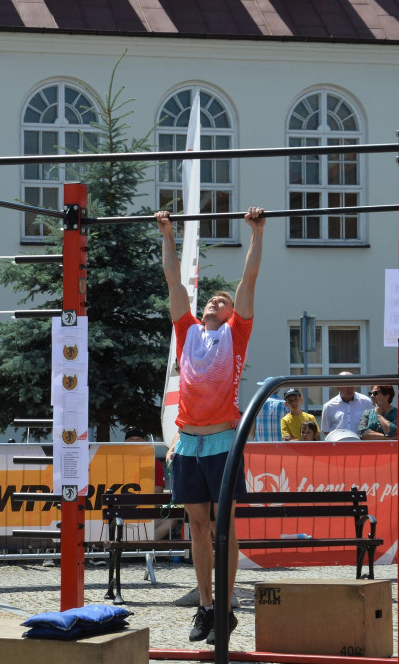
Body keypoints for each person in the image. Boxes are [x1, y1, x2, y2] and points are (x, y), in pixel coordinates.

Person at [157, 204, 264, 645]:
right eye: (212, 300)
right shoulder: (187, 332)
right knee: (197, 529)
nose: (217, 303)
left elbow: (249, 280)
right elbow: (173, 281)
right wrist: (167, 234)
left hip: (222, 441)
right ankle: (206, 605)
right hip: (188, 445)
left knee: (224, 527)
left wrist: (256, 233)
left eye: (223, 300)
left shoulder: (235, 333)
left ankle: (226, 601)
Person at [251, 378, 288, 442]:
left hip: (261, 446)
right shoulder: (284, 404)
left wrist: (253, 439)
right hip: (280, 446)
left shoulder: (257, 404)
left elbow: (251, 425)